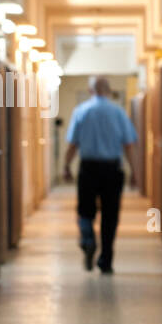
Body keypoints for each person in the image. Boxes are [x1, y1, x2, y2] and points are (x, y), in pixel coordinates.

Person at [62, 76, 138, 274]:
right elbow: (128, 145)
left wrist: (66, 166)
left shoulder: (81, 111)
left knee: (85, 210)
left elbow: (73, 144)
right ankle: (106, 260)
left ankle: (88, 239)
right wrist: (135, 171)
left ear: (90, 91)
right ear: (109, 90)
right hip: (112, 170)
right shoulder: (119, 113)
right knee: (110, 215)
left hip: (88, 169)